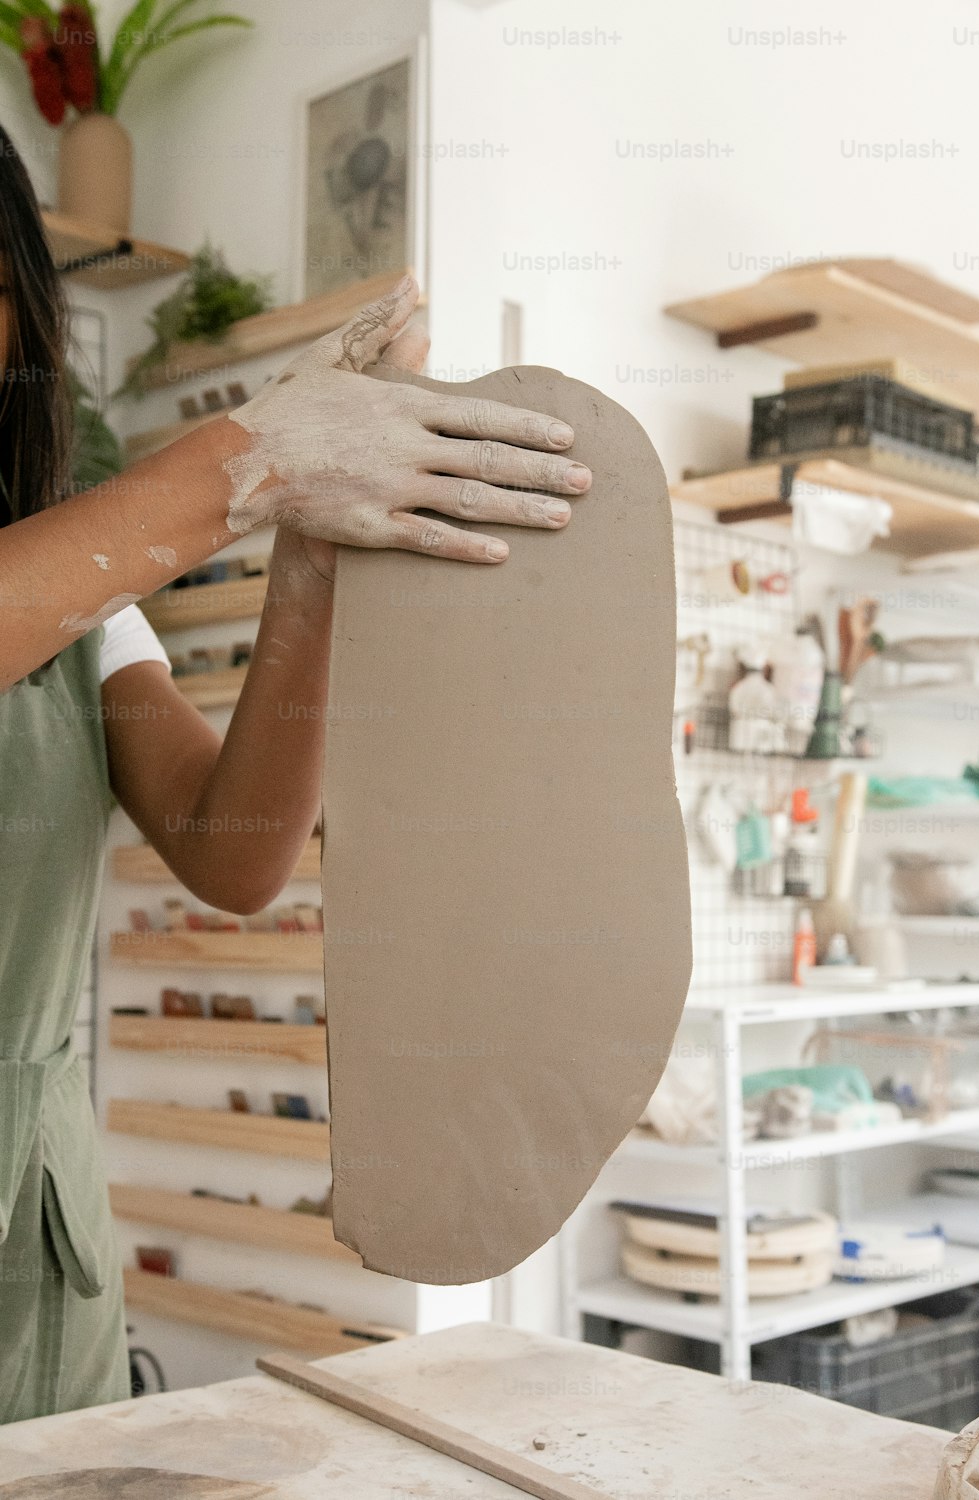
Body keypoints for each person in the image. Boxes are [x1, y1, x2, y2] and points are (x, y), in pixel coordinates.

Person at [0, 122, 590, 1423]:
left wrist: (309, 564)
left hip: (31, 1268)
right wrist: (257, 460)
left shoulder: (81, 586)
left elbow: (237, 849)